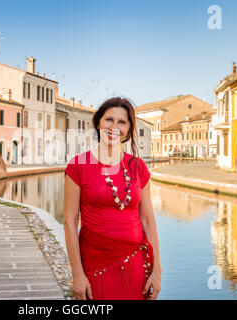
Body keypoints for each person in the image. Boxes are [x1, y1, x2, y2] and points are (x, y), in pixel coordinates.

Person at [63, 97, 162, 300]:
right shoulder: (78, 166)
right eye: (109, 120)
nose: (114, 127)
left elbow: (148, 221)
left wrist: (157, 269)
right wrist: (77, 274)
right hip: (95, 264)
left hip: (136, 265)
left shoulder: (138, 167)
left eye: (122, 122)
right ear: (98, 123)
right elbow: (70, 222)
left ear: (129, 129)